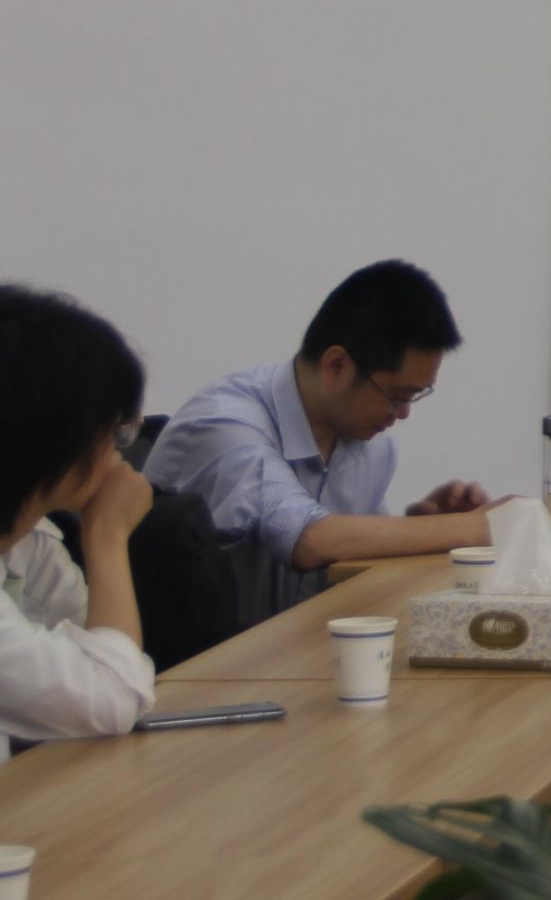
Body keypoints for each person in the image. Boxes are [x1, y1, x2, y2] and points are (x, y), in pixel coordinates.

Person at [144, 260, 498, 628]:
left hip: (300, 653)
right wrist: (474, 527)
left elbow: (347, 567)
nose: (404, 414)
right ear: (337, 366)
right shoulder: (225, 425)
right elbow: (309, 539)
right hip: (199, 661)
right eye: (396, 396)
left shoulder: (370, 445)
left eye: (415, 397)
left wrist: (423, 530)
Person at [2, 285, 159, 756]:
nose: (119, 453)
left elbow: (111, 658)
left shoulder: (29, 539)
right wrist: (108, 535)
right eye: (115, 431)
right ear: (56, 437)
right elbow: (114, 696)